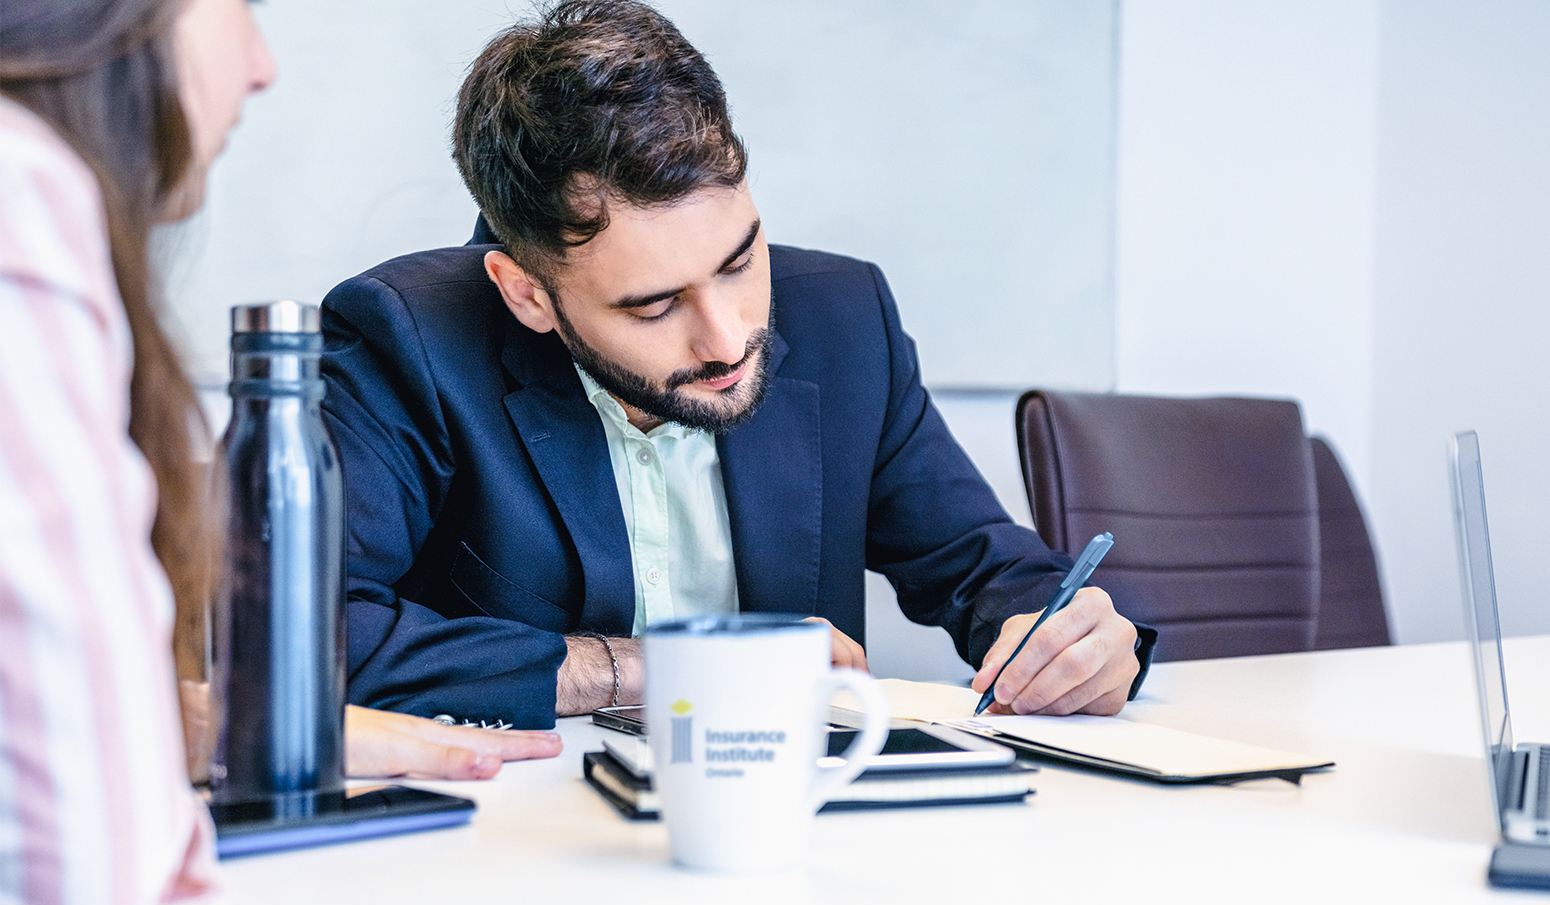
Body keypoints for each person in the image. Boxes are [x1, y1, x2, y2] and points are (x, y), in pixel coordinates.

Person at [322, 0, 1157, 731]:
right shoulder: (407, 338)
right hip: (516, 847)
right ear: (526, 294)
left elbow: (988, 569)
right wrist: (655, 668)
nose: (726, 341)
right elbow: (305, 637)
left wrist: (1073, 639)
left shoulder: (844, 317)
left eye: (738, 261)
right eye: (652, 305)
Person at [0, 0, 560, 905]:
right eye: (241, 8)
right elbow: (77, 877)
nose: (262, 67)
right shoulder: (20, 196)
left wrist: (191, 724)